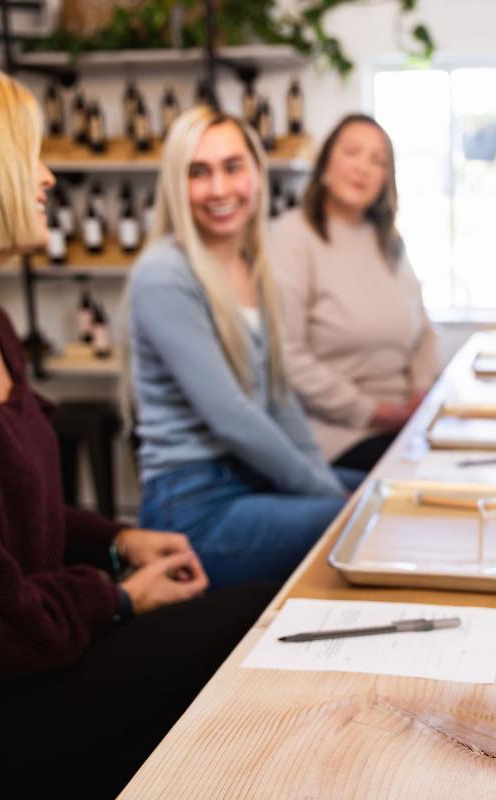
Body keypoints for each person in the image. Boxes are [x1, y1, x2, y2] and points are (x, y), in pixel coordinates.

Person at [0, 51, 277, 798]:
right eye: (25, 157)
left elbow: (11, 507)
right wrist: (118, 597)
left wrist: (116, 542)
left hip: (20, 669)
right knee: (251, 621)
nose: (47, 177)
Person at [130, 104, 359, 590]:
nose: (219, 190)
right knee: (363, 521)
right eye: (199, 173)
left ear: (256, 172)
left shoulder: (254, 265)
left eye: (233, 167)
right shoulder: (164, 274)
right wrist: (330, 496)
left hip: (249, 481)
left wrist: (325, 482)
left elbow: (279, 397)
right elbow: (231, 416)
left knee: (384, 496)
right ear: (176, 184)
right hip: (194, 506)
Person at [271, 113, 440, 471]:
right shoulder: (291, 238)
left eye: (377, 160)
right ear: (326, 164)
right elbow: (287, 355)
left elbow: (424, 331)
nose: (363, 167)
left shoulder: (389, 242)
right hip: (338, 437)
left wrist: (421, 394)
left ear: (385, 179)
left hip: (406, 426)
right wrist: (376, 412)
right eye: (352, 152)